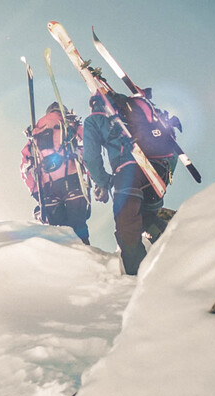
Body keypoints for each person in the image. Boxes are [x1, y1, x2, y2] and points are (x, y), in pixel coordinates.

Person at [83, 91, 179, 275]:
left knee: (127, 227)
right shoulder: (132, 111)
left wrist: (104, 181)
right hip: (158, 172)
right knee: (146, 218)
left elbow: (91, 157)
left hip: (129, 173)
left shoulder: (95, 119)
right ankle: (178, 251)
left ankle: (139, 280)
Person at [20, 102, 92, 244]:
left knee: (59, 236)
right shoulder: (70, 126)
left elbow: (26, 167)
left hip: (48, 191)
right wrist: (91, 179)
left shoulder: (36, 134)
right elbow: (89, 151)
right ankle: (85, 259)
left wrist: (35, 191)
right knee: (79, 231)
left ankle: (63, 262)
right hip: (73, 184)